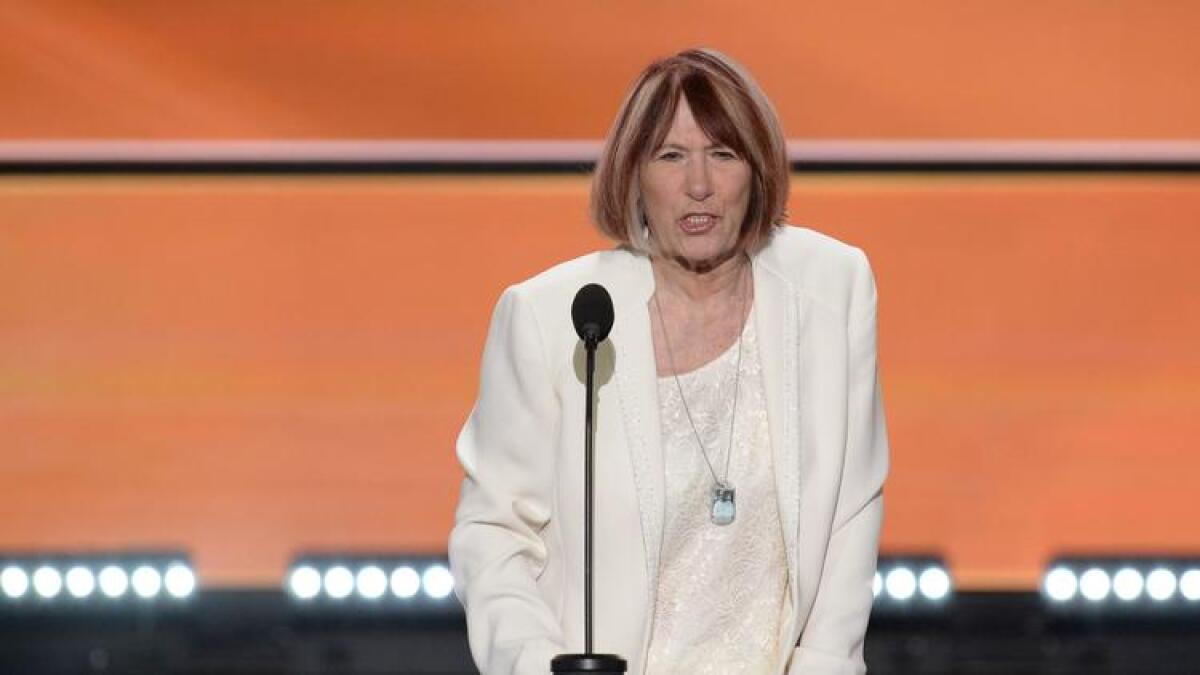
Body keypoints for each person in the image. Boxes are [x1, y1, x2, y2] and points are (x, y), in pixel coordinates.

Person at [449, 48, 889, 675]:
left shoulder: (833, 288)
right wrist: (539, 664)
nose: (699, 184)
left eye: (723, 154)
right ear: (634, 174)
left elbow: (853, 505)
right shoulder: (554, 317)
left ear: (758, 169)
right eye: (671, 156)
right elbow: (492, 534)